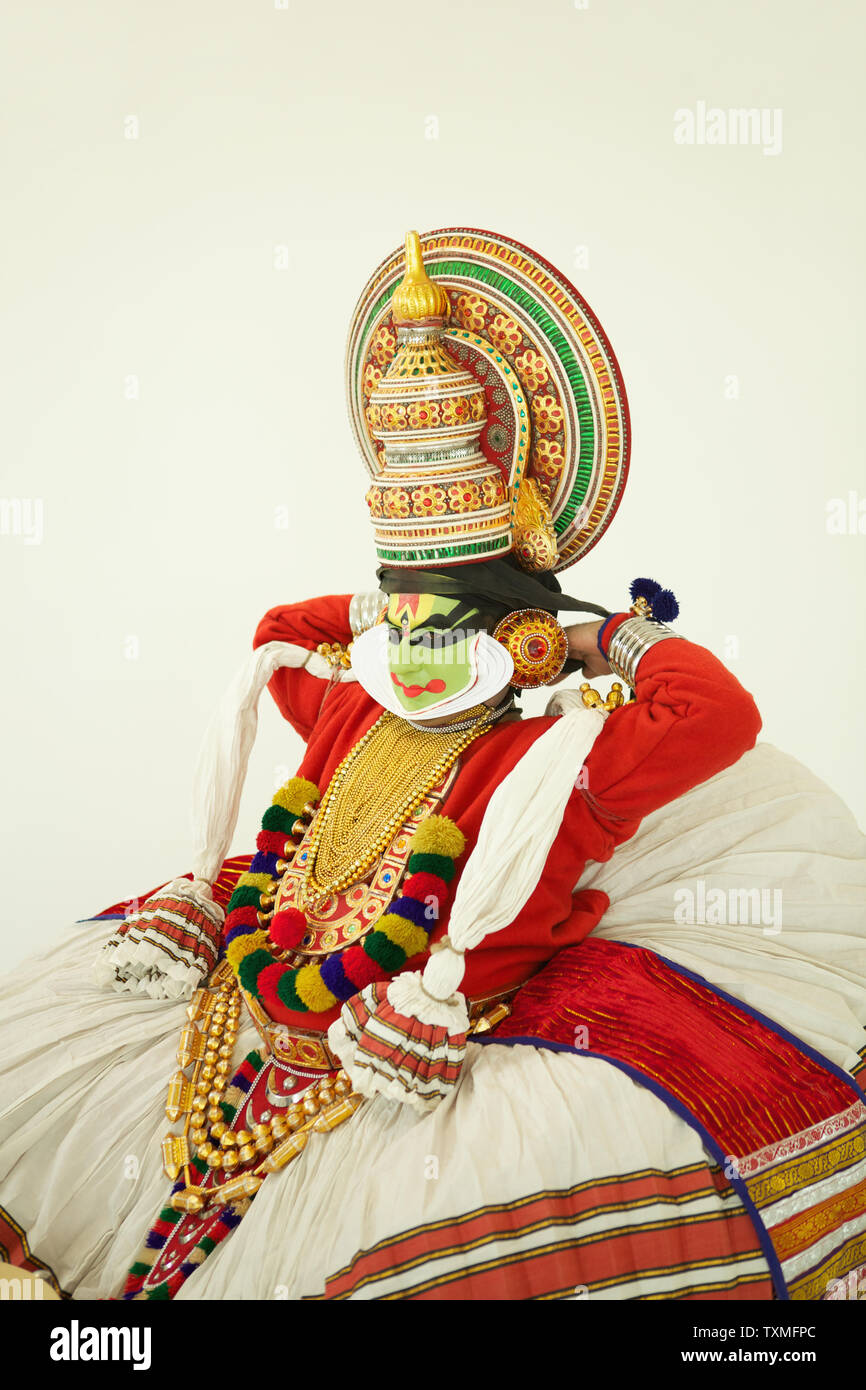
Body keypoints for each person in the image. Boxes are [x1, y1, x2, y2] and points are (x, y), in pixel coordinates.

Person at [1, 229, 864, 1302]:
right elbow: (277, 627)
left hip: (420, 1068)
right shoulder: (351, 708)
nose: (411, 652)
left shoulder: (556, 757)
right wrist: (389, 603)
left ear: (521, 637)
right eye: (394, 619)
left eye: (441, 625)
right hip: (250, 1024)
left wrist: (600, 640)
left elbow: (715, 713)